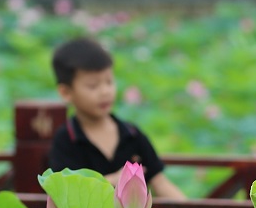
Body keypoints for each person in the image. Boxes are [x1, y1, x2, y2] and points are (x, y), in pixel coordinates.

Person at [45, 36, 186, 199]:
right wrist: (112, 181)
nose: (105, 91)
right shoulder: (66, 140)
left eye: (109, 82)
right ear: (65, 92)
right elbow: (66, 194)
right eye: (93, 86)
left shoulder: (132, 135)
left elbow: (160, 182)